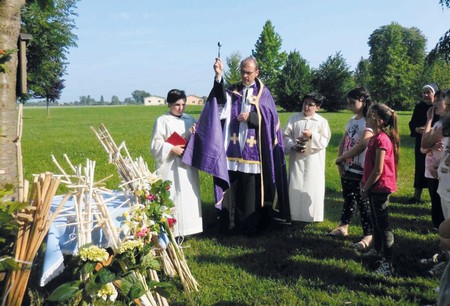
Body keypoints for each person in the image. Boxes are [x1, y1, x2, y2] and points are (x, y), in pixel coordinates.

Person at [197, 56, 290, 235]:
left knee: (250, 191)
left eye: (249, 72)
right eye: (242, 72)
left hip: (253, 152)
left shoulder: (263, 93)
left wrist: (253, 117)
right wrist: (218, 77)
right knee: (231, 188)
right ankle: (228, 225)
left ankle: (249, 227)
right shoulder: (233, 91)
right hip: (231, 149)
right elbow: (218, 102)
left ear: (257, 72)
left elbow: (271, 121)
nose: (245, 76)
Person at [150, 89, 203, 238]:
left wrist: (195, 133)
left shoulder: (190, 119)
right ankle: (173, 229)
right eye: (177, 105)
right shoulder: (162, 121)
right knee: (173, 194)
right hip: (171, 165)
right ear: (169, 104)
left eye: (183, 104)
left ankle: (189, 229)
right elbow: (155, 145)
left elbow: (198, 140)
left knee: (188, 195)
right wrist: (171, 148)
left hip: (187, 166)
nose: (181, 108)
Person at [329, 88, 374, 251]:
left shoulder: (369, 122)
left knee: (363, 201)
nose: (349, 106)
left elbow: (364, 144)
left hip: (361, 168)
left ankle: (369, 234)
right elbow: (344, 140)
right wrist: (340, 159)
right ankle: (343, 226)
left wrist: (343, 157)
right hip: (347, 165)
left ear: (363, 101)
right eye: (347, 103)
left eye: (352, 102)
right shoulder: (352, 120)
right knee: (348, 197)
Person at [360, 103, 399, 276]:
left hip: (380, 188)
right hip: (373, 187)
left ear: (379, 120)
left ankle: (388, 262)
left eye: (369, 115)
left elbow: (378, 170)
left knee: (383, 226)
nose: (366, 118)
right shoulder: (375, 137)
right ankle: (377, 250)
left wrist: (365, 188)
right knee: (376, 221)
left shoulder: (382, 139)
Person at [283, 93, 331, 222]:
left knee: (312, 185)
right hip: (297, 158)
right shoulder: (294, 118)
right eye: (305, 103)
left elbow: (325, 140)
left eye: (311, 105)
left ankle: (312, 215)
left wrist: (311, 136)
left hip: (313, 159)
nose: (307, 107)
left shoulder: (321, 122)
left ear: (318, 107)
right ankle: (294, 214)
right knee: (295, 183)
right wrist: (293, 145)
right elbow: (285, 136)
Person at [420, 89, 450, 276]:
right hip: (444, 184)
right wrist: (439, 164)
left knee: (445, 228)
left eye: (444, 102)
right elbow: (425, 143)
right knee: (443, 224)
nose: (442, 105)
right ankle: (447, 263)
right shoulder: (444, 124)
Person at [408, 83, 439, 204]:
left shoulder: (440, 108)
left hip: (436, 143)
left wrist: (429, 130)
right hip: (421, 142)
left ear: (435, 94)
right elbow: (412, 124)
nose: (426, 95)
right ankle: (416, 196)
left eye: (428, 92)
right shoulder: (419, 107)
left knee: (435, 168)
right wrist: (416, 129)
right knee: (420, 168)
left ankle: (436, 197)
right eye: (424, 93)